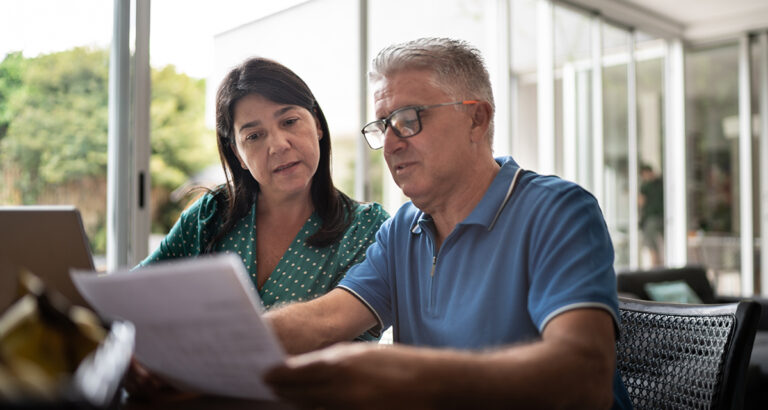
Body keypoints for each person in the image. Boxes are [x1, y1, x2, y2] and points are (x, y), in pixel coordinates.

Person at [262, 38, 632, 409]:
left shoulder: (558, 211)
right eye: (383, 126)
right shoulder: (402, 228)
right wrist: (226, 343)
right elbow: (325, 320)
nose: (390, 145)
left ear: (477, 119)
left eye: (408, 120)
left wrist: (404, 375)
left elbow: (584, 379)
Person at [138, 57, 388, 311]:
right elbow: (135, 293)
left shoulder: (366, 229)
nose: (278, 145)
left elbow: (351, 336)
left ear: (317, 124)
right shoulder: (210, 215)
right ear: (238, 155)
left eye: (289, 121)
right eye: (254, 136)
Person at [639, 164, 663, 266]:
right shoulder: (661, 183)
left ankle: (655, 268)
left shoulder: (646, 186)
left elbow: (641, 202)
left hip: (651, 219)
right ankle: (660, 266)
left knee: (652, 246)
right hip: (661, 217)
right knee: (658, 245)